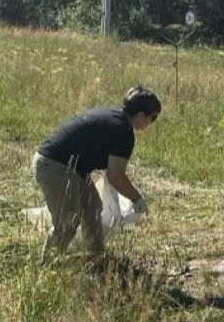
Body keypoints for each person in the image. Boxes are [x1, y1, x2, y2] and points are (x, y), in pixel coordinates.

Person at [32, 86, 160, 257]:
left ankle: (95, 257)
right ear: (141, 115)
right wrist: (136, 198)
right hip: (56, 166)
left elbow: (110, 168)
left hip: (70, 168)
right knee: (68, 222)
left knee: (92, 207)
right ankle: (48, 266)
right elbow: (116, 176)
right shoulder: (124, 132)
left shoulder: (113, 117)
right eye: (153, 117)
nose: (153, 122)